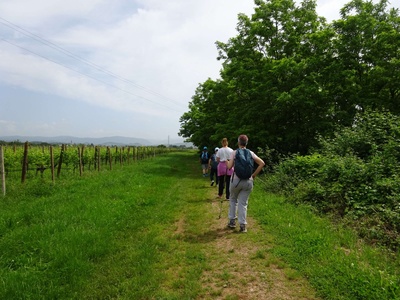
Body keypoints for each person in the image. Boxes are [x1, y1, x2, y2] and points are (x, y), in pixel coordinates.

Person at [226, 134, 265, 233]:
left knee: (233, 200)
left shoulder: (234, 153)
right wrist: (253, 175)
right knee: (243, 203)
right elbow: (262, 163)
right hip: (248, 181)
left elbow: (229, 167)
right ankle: (242, 225)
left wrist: (227, 162)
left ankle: (232, 222)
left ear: (238, 142)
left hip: (235, 181)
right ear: (246, 143)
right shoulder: (251, 153)